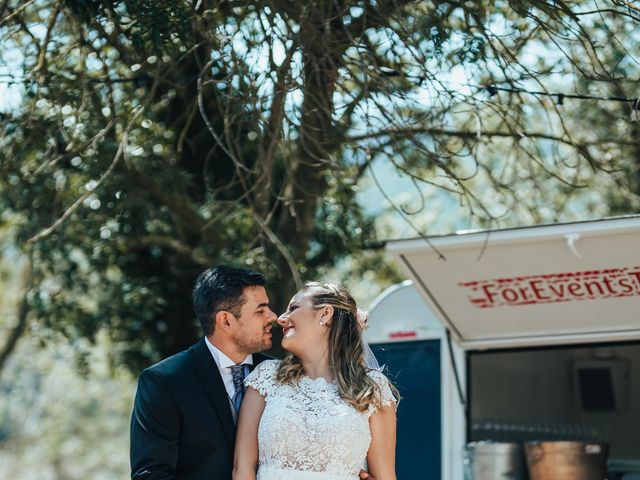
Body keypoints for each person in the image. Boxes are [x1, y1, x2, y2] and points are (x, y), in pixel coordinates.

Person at [233, 282, 399, 480]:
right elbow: (242, 468)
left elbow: (385, 476)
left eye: (293, 308)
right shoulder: (267, 377)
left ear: (325, 314)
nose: (281, 319)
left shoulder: (372, 389)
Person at [130, 265, 277, 479]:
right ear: (225, 321)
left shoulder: (280, 375)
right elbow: (151, 474)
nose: (272, 316)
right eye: (260, 310)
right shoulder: (164, 382)